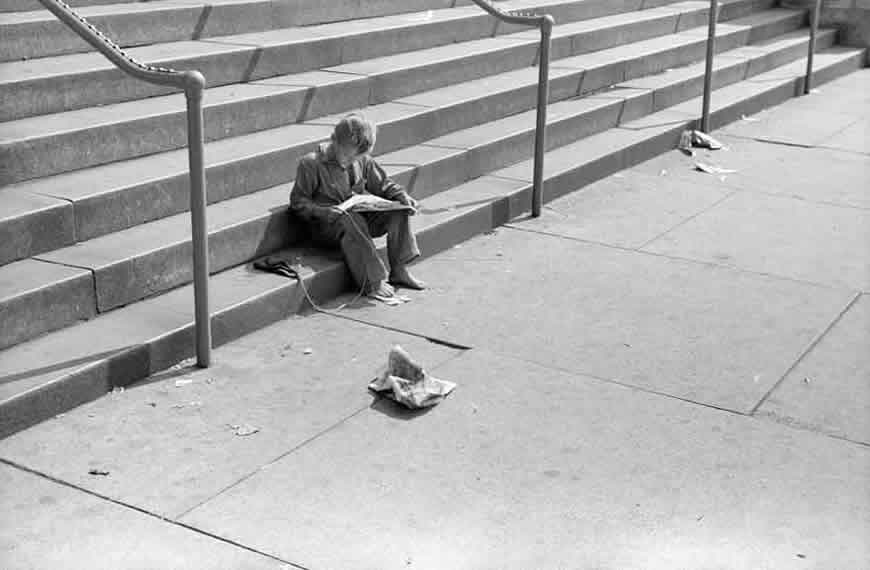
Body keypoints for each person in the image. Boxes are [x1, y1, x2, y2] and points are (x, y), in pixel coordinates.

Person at [289, 113, 425, 299]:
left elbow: (383, 184)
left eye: (355, 157)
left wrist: (402, 196)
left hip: (357, 218)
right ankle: (372, 282)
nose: (349, 161)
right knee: (350, 219)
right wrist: (321, 211)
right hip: (326, 226)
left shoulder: (360, 159)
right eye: (346, 155)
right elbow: (298, 202)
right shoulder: (311, 163)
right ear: (334, 141)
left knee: (398, 210)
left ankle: (399, 270)